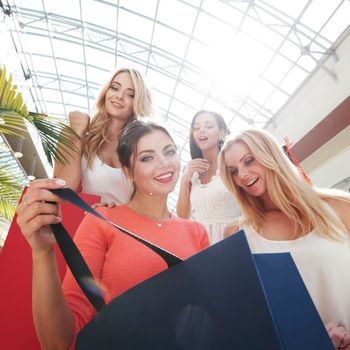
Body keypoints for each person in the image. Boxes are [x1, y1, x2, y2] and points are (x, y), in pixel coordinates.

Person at [16, 120, 209, 349]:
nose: (164, 163)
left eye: (169, 152)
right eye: (147, 157)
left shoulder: (196, 231)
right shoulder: (102, 222)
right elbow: (59, 342)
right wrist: (42, 252)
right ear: (129, 171)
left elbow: (208, 315)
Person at [218, 128, 350, 350]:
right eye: (233, 171)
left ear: (271, 155)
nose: (242, 175)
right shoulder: (237, 236)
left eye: (249, 161)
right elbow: (250, 316)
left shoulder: (338, 207)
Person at [54, 68, 153, 205]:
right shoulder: (73, 132)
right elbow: (64, 191)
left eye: (130, 94)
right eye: (115, 88)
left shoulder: (141, 149)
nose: (119, 96)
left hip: (120, 224)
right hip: (81, 223)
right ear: (106, 91)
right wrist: (77, 135)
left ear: (137, 103)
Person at [176, 110, 240, 244]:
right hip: (205, 243)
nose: (202, 131)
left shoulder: (232, 162)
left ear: (222, 131)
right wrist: (185, 180)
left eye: (209, 126)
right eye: (197, 128)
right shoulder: (191, 172)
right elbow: (183, 217)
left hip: (236, 235)